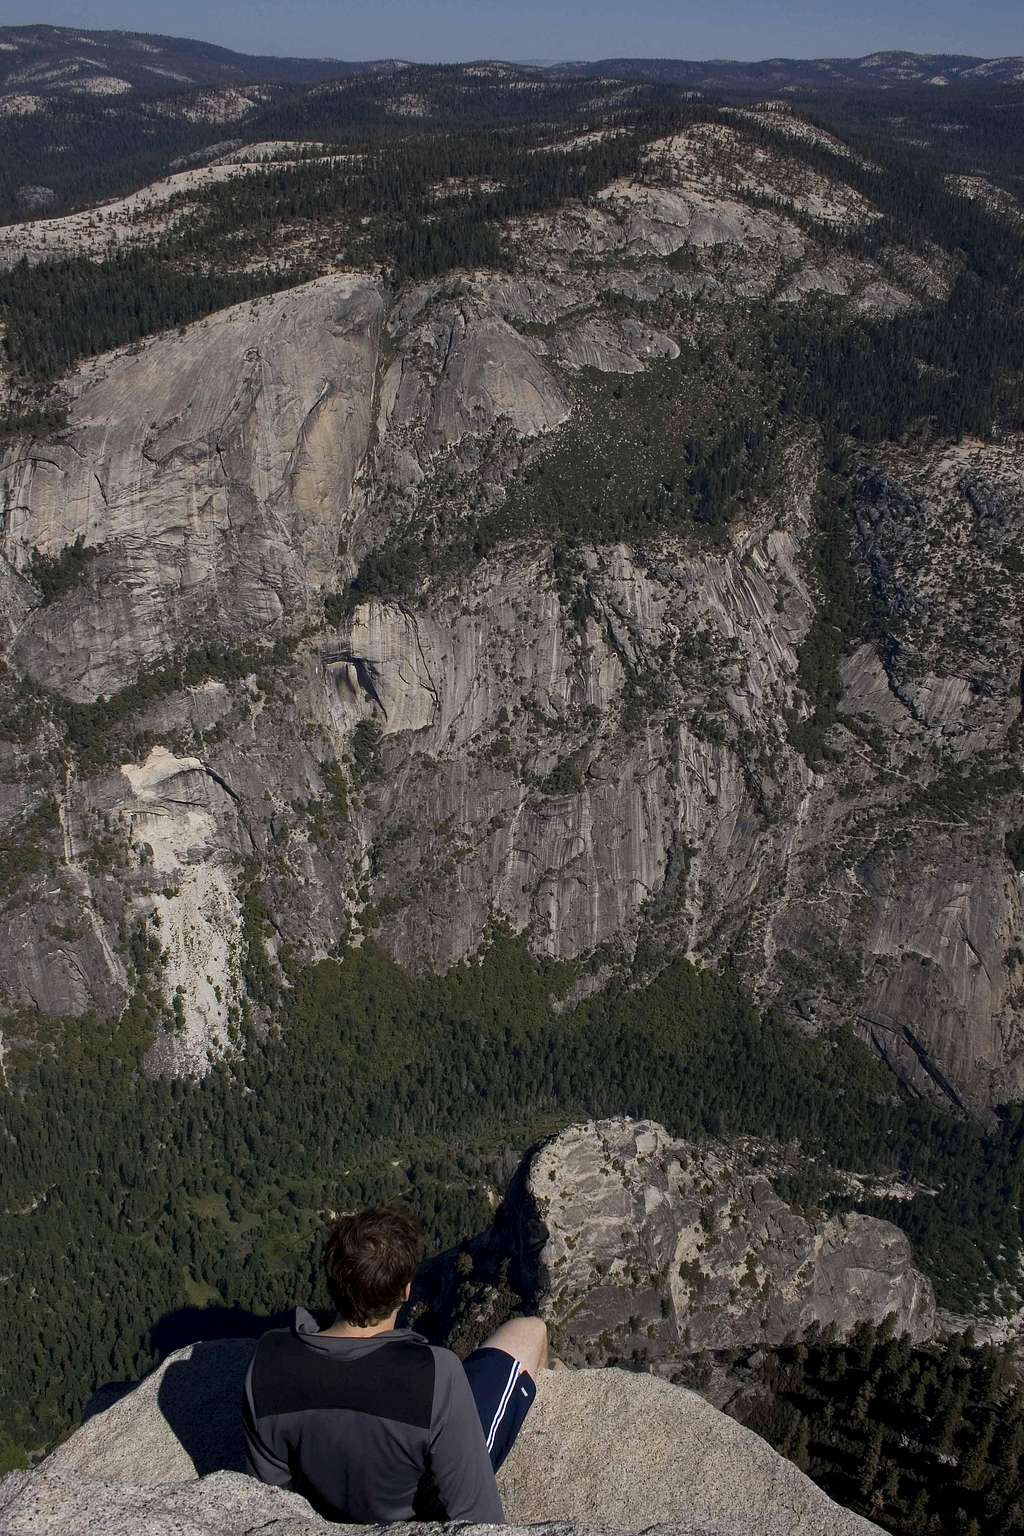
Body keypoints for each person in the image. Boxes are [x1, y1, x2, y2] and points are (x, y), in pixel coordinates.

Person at [242, 1206, 547, 1523]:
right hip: (421, 1508)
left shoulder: (268, 1359)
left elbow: (269, 1500)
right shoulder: (436, 1373)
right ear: (405, 1291)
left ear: (333, 1283)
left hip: (320, 1507)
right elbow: (481, 1517)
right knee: (530, 1330)